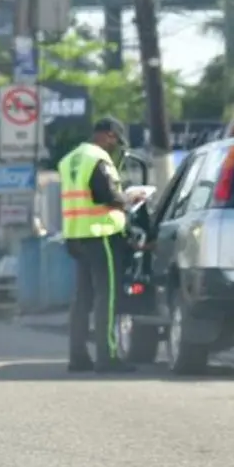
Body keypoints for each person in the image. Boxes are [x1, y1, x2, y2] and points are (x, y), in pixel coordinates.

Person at [58, 118, 144, 374]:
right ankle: (107, 357)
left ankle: (78, 357)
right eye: (115, 141)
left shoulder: (70, 159)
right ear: (107, 135)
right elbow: (105, 196)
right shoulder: (98, 159)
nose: (115, 147)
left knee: (82, 300)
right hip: (102, 235)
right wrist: (129, 198)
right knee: (106, 298)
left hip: (76, 236)